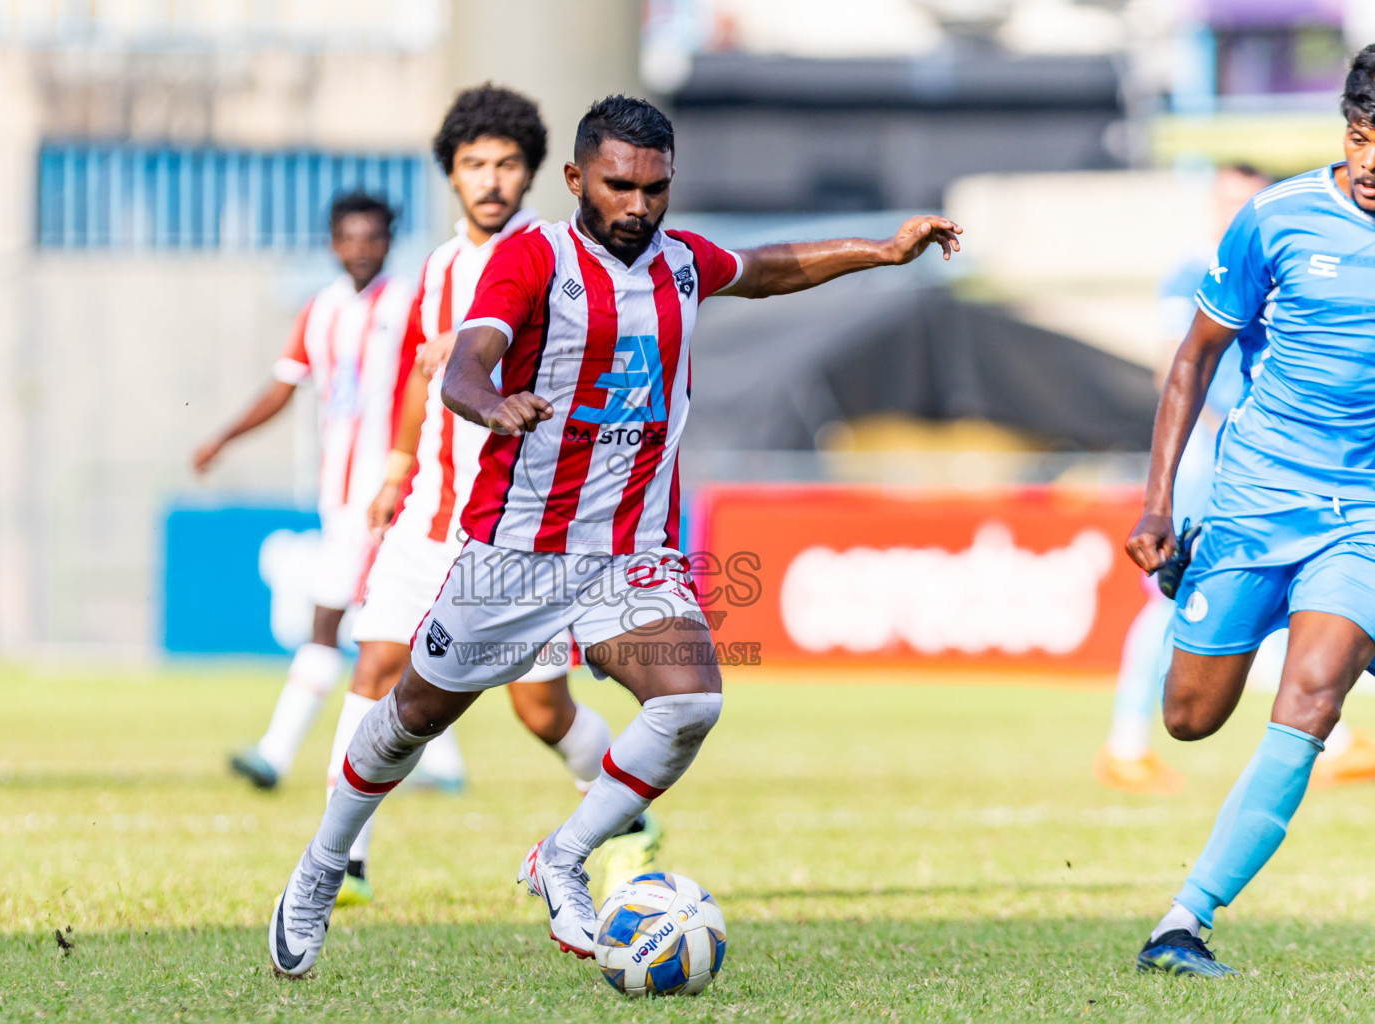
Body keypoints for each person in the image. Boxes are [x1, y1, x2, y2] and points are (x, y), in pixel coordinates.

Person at [266, 93, 961, 977]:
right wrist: (493, 403)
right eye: (619, 186)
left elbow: (770, 265)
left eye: (656, 188)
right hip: (514, 554)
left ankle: (561, 855)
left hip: (628, 554)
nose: (638, 206)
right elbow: (466, 366)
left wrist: (882, 250)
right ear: (575, 180)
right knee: (409, 716)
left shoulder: (680, 261)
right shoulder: (531, 260)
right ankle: (322, 865)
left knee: (691, 701)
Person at [318, 84, 660, 908]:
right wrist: (400, 462)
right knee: (377, 663)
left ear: (541, 173)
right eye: (475, 165)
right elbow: (421, 372)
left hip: (521, 527)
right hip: (435, 509)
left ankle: (628, 820)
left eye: (508, 164)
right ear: (453, 176)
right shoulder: (437, 265)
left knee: (540, 709)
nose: (492, 180)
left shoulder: (560, 260)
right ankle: (344, 859)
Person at [1130, 45, 1375, 976]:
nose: (1374, 164)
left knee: (1312, 698)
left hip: (1363, 514)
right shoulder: (1274, 218)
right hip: (1252, 499)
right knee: (1191, 718)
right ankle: (1200, 581)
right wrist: (1159, 507)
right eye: (1362, 140)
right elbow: (1194, 358)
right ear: (1348, 133)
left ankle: (1183, 923)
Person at [1097, 163, 1375, 795]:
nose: (1233, 205)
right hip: (1223, 454)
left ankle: (1331, 734)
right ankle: (1126, 742)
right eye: (1224, 196)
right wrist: (1162, 496)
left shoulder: (1315, 239)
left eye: (1240, 196)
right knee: (1165, 608)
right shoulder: (1211, 257)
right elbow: (1184, 355)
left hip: (1327, 479)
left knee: (1306, 597)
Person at [193, 193, 413, 791]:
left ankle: (276, 753)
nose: (361, 247)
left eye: (373, 236)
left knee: (334, 623)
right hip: (339, 495)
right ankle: (436, 764)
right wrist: (224, 437)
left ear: (389, 241)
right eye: (350, 236)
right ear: (333, 243)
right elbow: (284, 386)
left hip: (389, 496)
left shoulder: (410, 302)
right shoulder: (321, 309)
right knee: (389, 630)